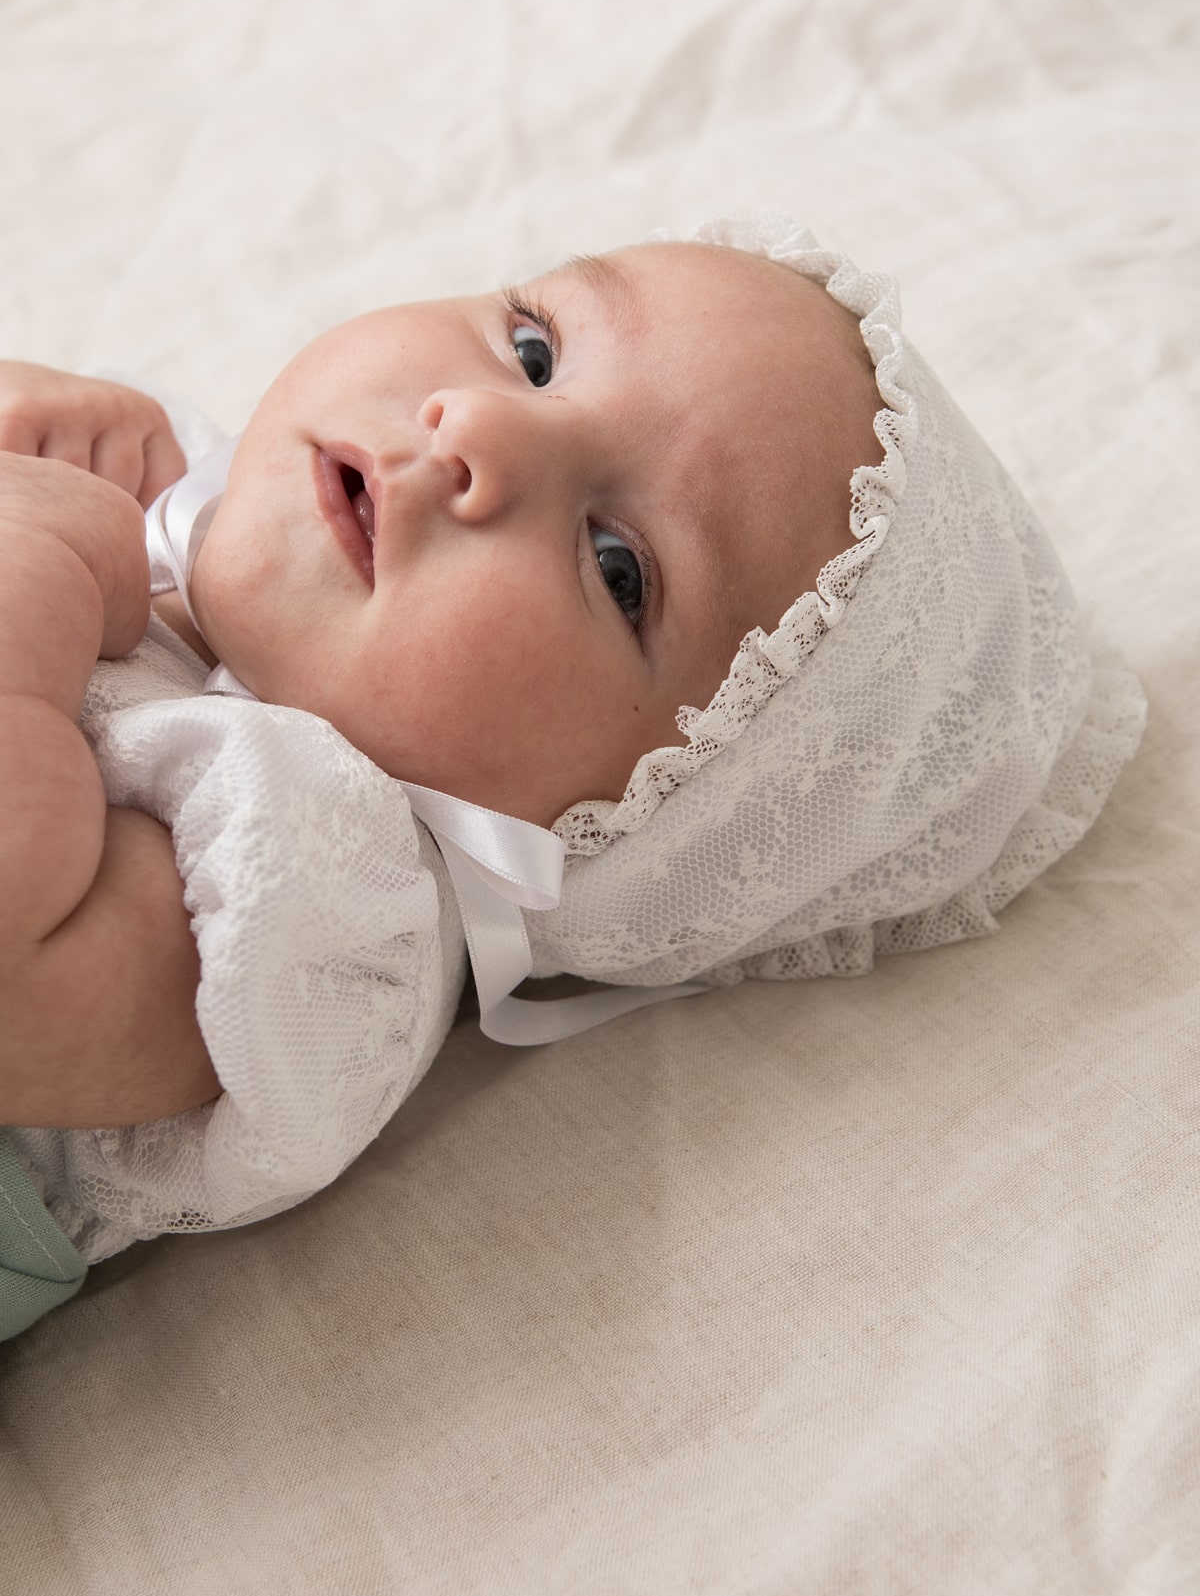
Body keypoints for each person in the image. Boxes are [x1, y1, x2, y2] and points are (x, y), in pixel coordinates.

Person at [0, 213, 1146, 1338]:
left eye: (617, 567)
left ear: (632, 836)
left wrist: (47, 562)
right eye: (536, 351)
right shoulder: (175, 484)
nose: (482, 430)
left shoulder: (331, 905)